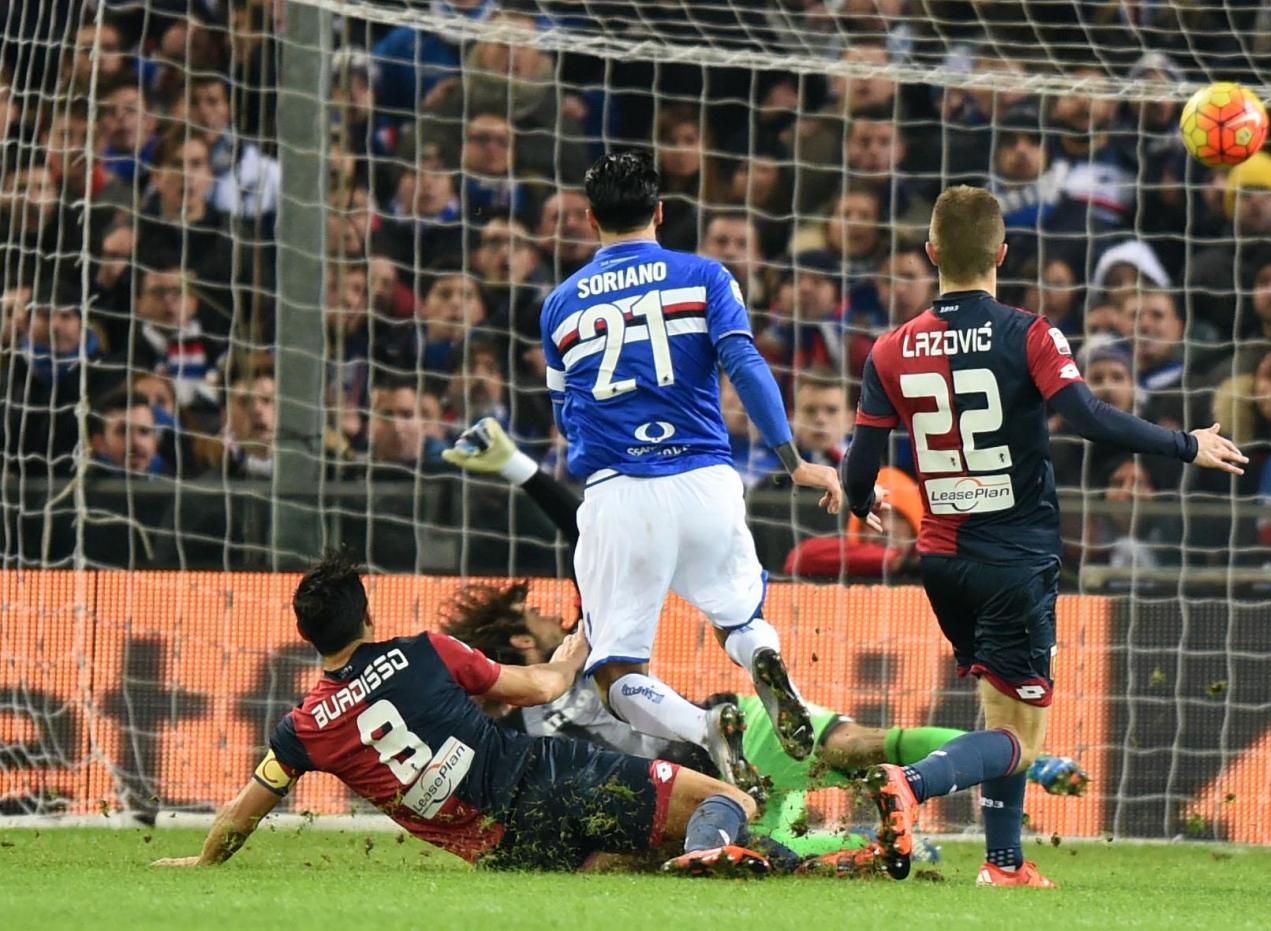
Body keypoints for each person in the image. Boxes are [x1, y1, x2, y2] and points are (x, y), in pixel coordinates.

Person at [442, 417, 1090, 873]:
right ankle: (865, 843)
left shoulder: (581, 651)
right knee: (784, 834)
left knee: (851, 749)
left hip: (717, 750)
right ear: (522, 638)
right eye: (536, 615)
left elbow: (588, 534)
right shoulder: (531, 710)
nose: (553, 616)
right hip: (687, 785)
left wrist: (521, 471)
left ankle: (1024, 765)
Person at [839, 186, 1247, 886]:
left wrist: (859, 499)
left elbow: (860, 464)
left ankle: (1003, 862)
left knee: (1001, 709)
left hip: (940, 559)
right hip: (1014, 559)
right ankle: (909, 782)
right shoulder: (1029, 333)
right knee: (1020, 738)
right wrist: (1185, 443)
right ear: (1003, 253)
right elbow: (1087, 417)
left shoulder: (889, 347)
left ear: (931, 252)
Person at [151, 551, 772, 876]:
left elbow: (242, 813)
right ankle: (709, 855)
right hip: (547, 781)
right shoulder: (426, 652)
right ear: (367, 615)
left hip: (506, 851)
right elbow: (543, 686)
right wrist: (582, 643)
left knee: (630, 856)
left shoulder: (304, 729)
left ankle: (792, 864)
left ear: (307, 636)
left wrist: (205, 860)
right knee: (730, 800)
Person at [537, 151, 847, 795]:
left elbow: (565, 414)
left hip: (620, 492)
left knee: (615, 672)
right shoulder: (705, 276)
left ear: (590, 218)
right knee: (740, 618)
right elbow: (745, 364)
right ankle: (763, 659)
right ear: (659, 212)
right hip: (706, 480)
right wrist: (794, 462)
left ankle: (706, 728)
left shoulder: (560, 305)